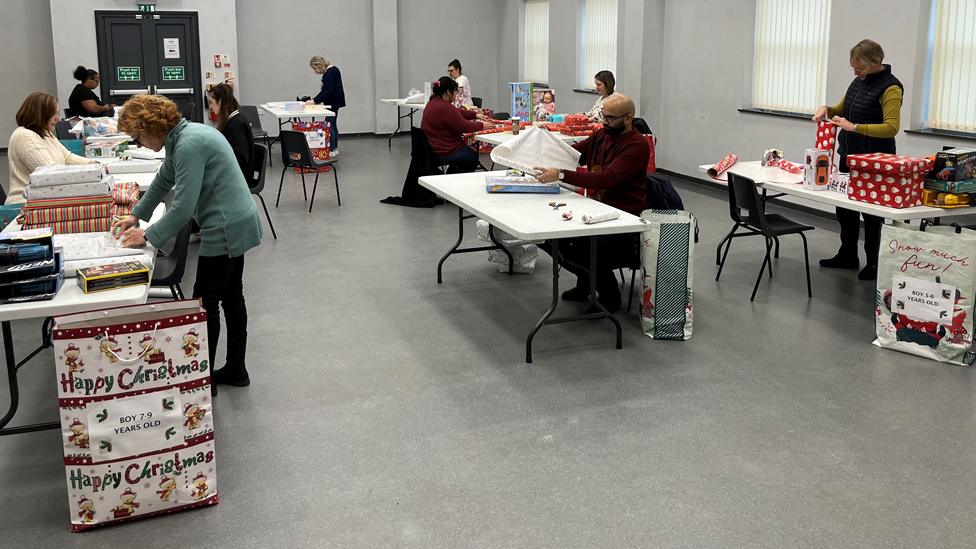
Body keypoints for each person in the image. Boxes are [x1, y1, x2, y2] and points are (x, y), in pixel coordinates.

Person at [112, 94, 262, 391]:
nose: (138, 143)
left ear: (151, 125)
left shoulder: (188, 144)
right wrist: (136, 215)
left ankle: (204, 379)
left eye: (137, 136)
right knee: (231, 297)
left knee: (207, 302)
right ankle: (235, 369)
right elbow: (164, 179)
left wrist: (147, 234)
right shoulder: (185, 136)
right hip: (235, 218)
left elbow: (182, 206)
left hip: (225, 226)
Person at [533, 94, 650, 313]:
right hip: (596, 206)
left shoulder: (637, 146)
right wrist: (541, 144)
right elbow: (576, 153)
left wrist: (560, 174)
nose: (604, 122)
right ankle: (586, 281)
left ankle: (609, 296)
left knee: (582, 245)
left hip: (622, 215)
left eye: (611, 118)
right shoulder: (602, 134)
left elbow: (608, 178)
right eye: (603, 116)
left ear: (628, 118)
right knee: (549, 237)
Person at [813, 39, 903, 281]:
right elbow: (840, 109)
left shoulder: (891, 89)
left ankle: (874, 262)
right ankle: (847, 255)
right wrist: (825, 110)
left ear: (876, 63)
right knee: (845, 209)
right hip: (849, 156)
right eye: (853, 67)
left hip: (875, 161)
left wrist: (854, 127)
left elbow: (891, 127)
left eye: (859, 68)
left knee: (872, 215)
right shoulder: (857, 82)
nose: (855, 72)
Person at [6, 92, 97, 204]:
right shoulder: (24, 136)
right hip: (24, 205)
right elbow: (50, 172)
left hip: (45, 199)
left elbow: (68, 158)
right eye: (53, 114)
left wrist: (95, 164)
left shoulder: (45, 133)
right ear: (40, 114)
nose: (57, 119)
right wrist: (90, 175)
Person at [420, 76, 493, 173]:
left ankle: (452, 173)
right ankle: (454, 178)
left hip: (433, 147)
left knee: (467, 155)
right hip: (444, 150)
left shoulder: (433, 102)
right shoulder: (444, 107)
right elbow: (464, 126)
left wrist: (475, 115)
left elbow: (455, 111)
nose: (456, 95)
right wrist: (482, 125)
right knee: (472, 157)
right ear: (448, 92)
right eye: (455, 91)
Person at [209, 83, 253, 180]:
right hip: (234, 172)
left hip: (240, 177)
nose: (210, 107)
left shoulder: (236, 125)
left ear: (220, 101)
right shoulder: (231, 121)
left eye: (211, 102)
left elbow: (240, 158)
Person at [306, 56, 345, 157]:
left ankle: (331, 149)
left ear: (319, 65)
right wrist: (315, 99)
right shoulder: (333, 70)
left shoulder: (330, 73)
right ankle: (335, 148)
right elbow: (326, 90)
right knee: (333, 124)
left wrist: (314, 100)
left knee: (329, 125)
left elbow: (327, 91)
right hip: (335, 101)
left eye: (315, 68)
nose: (315, 71)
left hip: (332, 102)